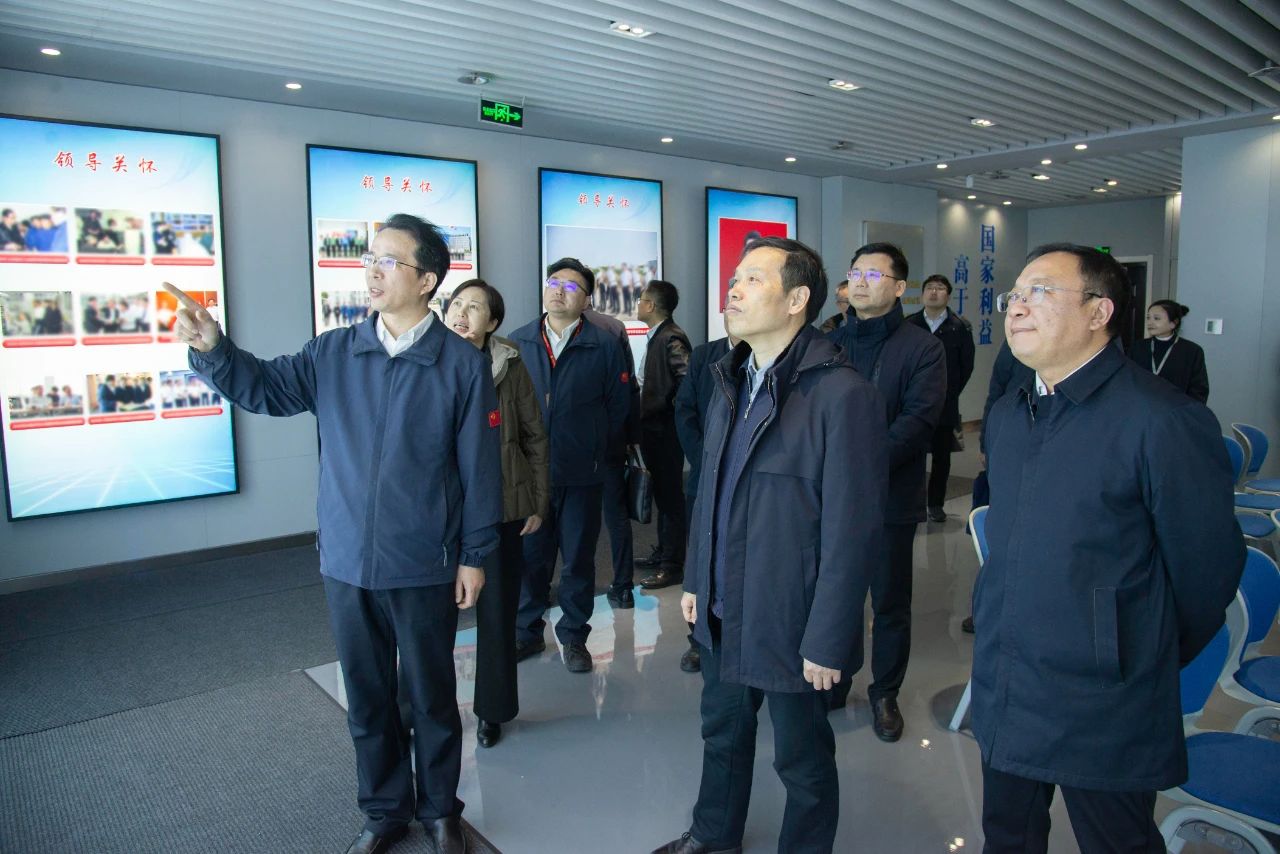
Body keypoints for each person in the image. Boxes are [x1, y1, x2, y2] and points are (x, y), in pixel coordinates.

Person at [165, 212, 501, 854]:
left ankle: (440, 810)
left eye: (389, 261)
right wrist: (213, 347)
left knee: (430, 696)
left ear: (427, 280)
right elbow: (266, 389)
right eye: (370, 259)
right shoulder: (334, 352)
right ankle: (384, 811)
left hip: (424, 559)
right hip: (347, 559)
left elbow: (480, 468)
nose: (372, 271)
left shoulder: (460, 364)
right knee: (368, 698)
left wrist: (475, 554)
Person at [975, 243, 1244, 852]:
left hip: (1104, 692)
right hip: (1009, 673)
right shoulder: (1011, 414)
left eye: (1041, 291)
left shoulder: (1161, 419)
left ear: (1099, 312)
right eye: (1014, 294)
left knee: (1117, 841)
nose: (1017, 307)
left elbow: (1205, 575)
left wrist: (1126, 642)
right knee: (1007, 835)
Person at [653, 237, 888, 854]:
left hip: (792, 616)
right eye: (735, 278)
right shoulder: (730, 379)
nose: (733, 289)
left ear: (797, 299)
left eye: (753, 279)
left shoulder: (842, 395)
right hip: (725, 604)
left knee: (801, 759)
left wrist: (829, 636)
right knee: (722, 733)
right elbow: (712, 490)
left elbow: (853, 531)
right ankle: (714, 836)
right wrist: (697, 579)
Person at [824, 242, 945, 742]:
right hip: (829, 498)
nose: (861, 281)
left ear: (899, 288)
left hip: (889, 498)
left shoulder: (922, 348)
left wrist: (858, 465)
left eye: (874, 275)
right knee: (835, 593)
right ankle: (833, 679)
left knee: (890, 601)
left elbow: (918, 421)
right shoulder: (828, 343)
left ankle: (885, 692)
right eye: (855, 272)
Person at [509, 258, 630, 673]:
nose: (559, 290)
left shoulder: (604, 344)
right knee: (531, 558)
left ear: (587, 300)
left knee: (578, 558)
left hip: (583, 473)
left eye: (572, 286)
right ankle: (526, 631)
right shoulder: (519, 341)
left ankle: (575, 636)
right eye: (554, 282)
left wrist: (596, 449)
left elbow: (619, 406)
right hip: (531, 477)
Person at [444, 279, 549, 750]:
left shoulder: (509, 362)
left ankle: (493, 711)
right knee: (429, 620)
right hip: (440, 511)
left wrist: (536, 501)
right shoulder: (427, 358)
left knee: (497, 614)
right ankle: (421, 711)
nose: (462, 313)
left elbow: (534, 435)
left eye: (475, 307)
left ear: (493, 322)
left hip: (501, 507)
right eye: (456, 304)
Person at [671, 332, 736, 674]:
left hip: (745, 483)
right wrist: (705, 460)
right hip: (704, 477)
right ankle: (699, 639)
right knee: (700, 557)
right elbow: (685, 410)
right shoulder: (704, 355)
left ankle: (737, 635)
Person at [582, 301, 641, 610]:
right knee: (616, 515)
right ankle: (623, 586)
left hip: (572, 445)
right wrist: (630, 436)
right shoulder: (614, 327)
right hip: (610, 440)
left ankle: (562, 587)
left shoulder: (550, 330)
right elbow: (629, 386)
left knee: (570, 518)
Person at [635, 280, 692, 591]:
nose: (638, 304)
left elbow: (686, 382)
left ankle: (672, 565)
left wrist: (667, 412)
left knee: (670, 499)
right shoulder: (660, 335)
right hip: (655, 429)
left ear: (651, 306)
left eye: (642, 299)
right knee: (662, 495)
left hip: (665, 432)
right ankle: (664, 553)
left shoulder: (671, 337)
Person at [907, 274, 975, 522]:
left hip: (945, 404)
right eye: (929, 288)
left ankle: (935, 504)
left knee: (941, 456)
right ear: (923, 294)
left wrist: (949, 391)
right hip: (912, 402)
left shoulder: (959, 327)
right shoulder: (910, 325)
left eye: (940, 288)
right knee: (911, 453)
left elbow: (966, 366)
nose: (934, 292)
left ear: (948, 295)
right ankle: (911, 502)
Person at [1128, 299, 1209, 403]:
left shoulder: (1192, 351)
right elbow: (1128, 378)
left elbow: (1199, 389)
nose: (1150, 322)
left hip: (1176, 408)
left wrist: (1187, 410)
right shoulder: (1138, 347)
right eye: (1148, 318)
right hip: (1141, 406)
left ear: (1173, 323)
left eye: (1156, 318)